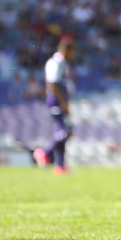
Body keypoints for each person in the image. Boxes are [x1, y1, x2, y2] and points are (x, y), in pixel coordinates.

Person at [34, 37, 76, 175]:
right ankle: (44, 152)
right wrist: (63, 103)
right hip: (56, 100)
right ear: (65, 50)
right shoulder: (56, 63)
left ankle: (60, 166)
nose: (73, 55)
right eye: (72, 52)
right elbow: (53, 83)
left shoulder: (62, 63)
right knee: (64, 131)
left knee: (63, 131)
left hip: (60, 100)